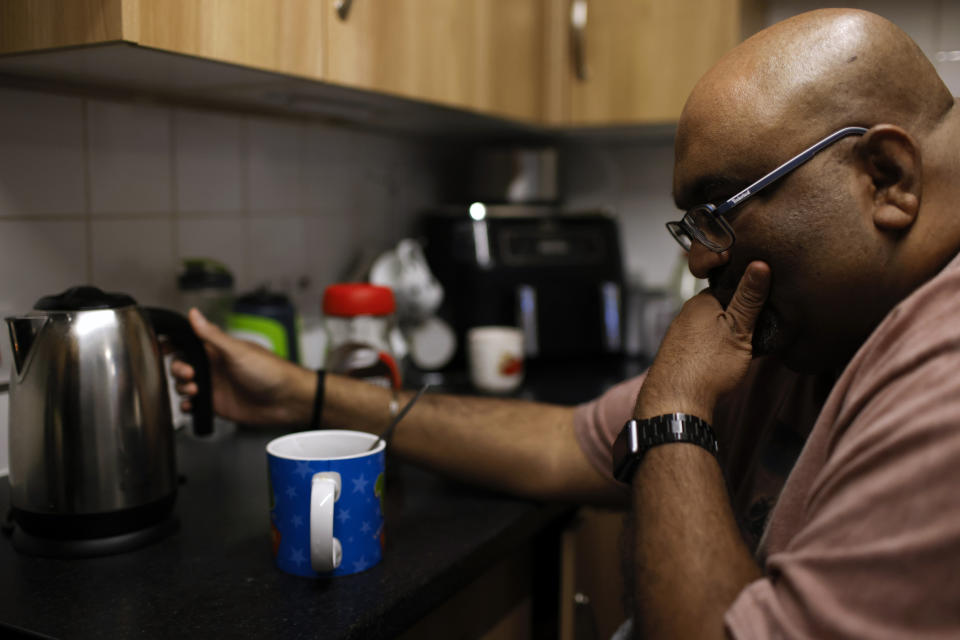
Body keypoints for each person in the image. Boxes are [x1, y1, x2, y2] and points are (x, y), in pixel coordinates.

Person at [173, 8, 960, 638]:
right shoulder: (819, 328)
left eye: (717, 215)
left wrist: (673, 413)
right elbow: (565, 444)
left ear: (885, 178)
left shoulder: (943, 372)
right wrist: (299, 396)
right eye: (689, 230)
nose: (698, 264)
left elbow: (649, 429)